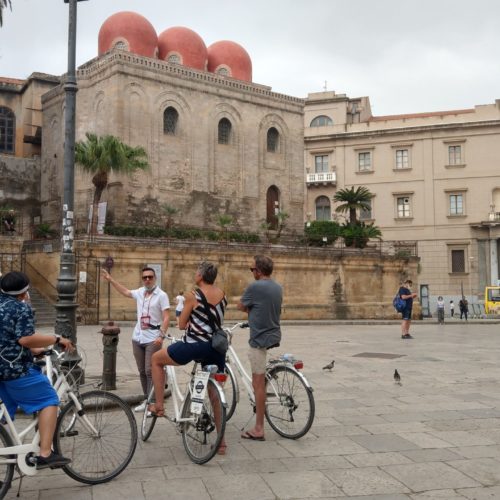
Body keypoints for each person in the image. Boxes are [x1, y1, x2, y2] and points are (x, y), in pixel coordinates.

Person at [150, 261, 227, 453]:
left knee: (156, 360)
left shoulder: (192, 296)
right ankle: (222, 443)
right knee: (215, 395)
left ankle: (159, 405)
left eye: (196, 272)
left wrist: (179, 308)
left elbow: (182, 325)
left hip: (194, 345)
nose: (195, 274)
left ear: (200, 276)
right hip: (216, 348)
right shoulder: (222, 295)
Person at [0, 271, 73, 469]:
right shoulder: (21, 308)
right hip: (13, 370)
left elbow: (9, 336)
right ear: (24, 292)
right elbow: (25, 338)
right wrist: (57, 339)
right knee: (49, 399)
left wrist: (33, 351)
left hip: (3, 367)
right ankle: (45, 453)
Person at [101, 267, 170, 412]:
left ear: (155, 278)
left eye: (150, 277)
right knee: (142, 371)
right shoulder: (140, 292)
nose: (147, 280)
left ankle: (154, 402)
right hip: (138, 337)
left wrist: (161, 335)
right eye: (144, 277)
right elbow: (125, 292)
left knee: (150, 370)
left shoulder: (161, 295)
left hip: (153, 338)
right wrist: (110, 279)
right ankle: (147, 400)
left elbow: (167, 317)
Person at [237, 254, 282, 441]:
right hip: (274, 334)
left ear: (259, 270)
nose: (252, 272)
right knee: (261, 378)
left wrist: (250, 310)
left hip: (259, 338)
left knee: (257, 383)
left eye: (252, 269)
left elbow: (240, 305)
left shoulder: (255, 287)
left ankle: (259, 428)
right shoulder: (278, 287)